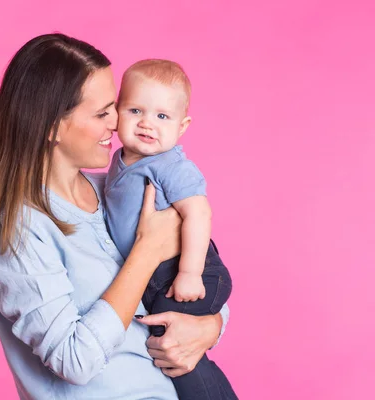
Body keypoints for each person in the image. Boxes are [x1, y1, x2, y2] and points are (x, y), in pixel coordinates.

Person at [0, 33, 231, 400]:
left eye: (116, 106)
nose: (117, 122)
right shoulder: (21, 229)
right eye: (102, 112)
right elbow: (74, 361)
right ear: (51, 127)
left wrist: (212, 326)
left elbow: (195, 286)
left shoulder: (115, 190)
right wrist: (145, 252)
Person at [104, 59, 237, 399]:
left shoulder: (170, 165)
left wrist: (190, 273)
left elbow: (198, 213)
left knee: (174, 350)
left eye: (162, 116)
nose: (147, 123)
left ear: (182, 126)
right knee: (171, 349)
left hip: (192, 270)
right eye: (136, 110)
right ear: (116, 111)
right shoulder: (117, 163)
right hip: (155, 276)